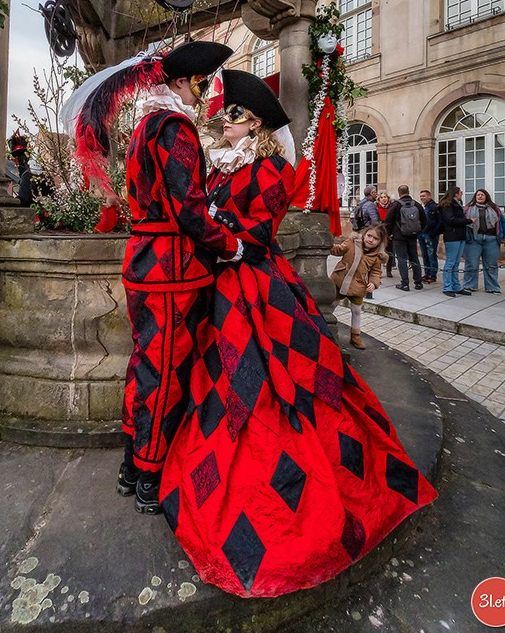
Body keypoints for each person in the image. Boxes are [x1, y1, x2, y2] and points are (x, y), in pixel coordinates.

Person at [159, 71, 437, 598]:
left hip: (255, 286)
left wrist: (218, 229)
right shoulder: (222, 165)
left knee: (280, 386)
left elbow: (257, 232)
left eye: (233, 116)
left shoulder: (269, 169)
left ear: (253, 123)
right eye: (224, 114)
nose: (223, 121)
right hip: (221, 282)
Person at [65, 40, 243, 516]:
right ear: (181, 82)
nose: (204, 97)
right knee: (166, 371)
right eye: (202, 85)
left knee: (147, 364)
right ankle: (149, 474)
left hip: (146, 260)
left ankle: (131, 466)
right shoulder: (175, 127)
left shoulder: (146, 126)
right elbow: (188, 210)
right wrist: (230, 243)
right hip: (173, 269)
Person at [331, 223, 387, 349]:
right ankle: (323, 326)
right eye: (369, 236)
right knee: (332, 304)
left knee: (356, 311)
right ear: (364, 234)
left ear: (380, 242)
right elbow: (339, 249)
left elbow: (376, 272)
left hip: (358, 286)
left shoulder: (377, 256)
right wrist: (328, 245)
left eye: (375, 238)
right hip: (340, 280)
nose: (371, 240)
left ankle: (355, 336)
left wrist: (374, 283)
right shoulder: (352, 242)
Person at [462, 189, 505, 293]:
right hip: (474, 239)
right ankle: (469, 285)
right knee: (471, 263)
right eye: (478, 195)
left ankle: (492, 287)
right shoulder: (468, 208)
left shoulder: (495, 208)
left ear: (486, 196)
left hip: (491, 239)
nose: (480, 196)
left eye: (482, 195)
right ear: (475, 197)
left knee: (491, 265)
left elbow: (503, 222)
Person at [384, 185, 426, 291]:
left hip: (399, 236)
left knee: (402, 259)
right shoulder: (416, 204)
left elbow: (388, 221)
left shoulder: (395, 205)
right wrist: (417, 231)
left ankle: (405, 283)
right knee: (414, 258)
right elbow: (424, 221)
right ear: (409, 191)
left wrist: (388, 234)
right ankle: (418, 282)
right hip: (412, 235)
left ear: (399, 193)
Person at [437, 185, 473, 297]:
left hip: (460, 235)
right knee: (450, 262)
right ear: (456, 193)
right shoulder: (448, 205)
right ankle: (447, 287)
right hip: (452, 235)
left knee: (456, 263)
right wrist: (468, 221)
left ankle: (456, 286)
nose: (461, 194)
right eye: (460, 192)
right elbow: (450, 220)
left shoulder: (457, 204)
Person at [418, 189, 440, 283]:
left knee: (431, 255)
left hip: (431, 235)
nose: (422, 198)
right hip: (422, 234)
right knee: (425, 255)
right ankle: (427, 274)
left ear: (429, 196)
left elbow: (439, 222)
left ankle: (432, 275)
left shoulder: (435, 207)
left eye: (424, 196)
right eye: (421, 196)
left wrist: (433, 233)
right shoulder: (424, 207)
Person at [375, 191, 395, 277]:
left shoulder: (391, 207)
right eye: (382, 197)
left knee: (389, 252)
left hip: (389, 232)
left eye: (385, 197)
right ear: (379, 199)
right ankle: (377, 271)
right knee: (378, 252)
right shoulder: (376, 207)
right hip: (379, 231)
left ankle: (389, 270)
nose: (384, 199)